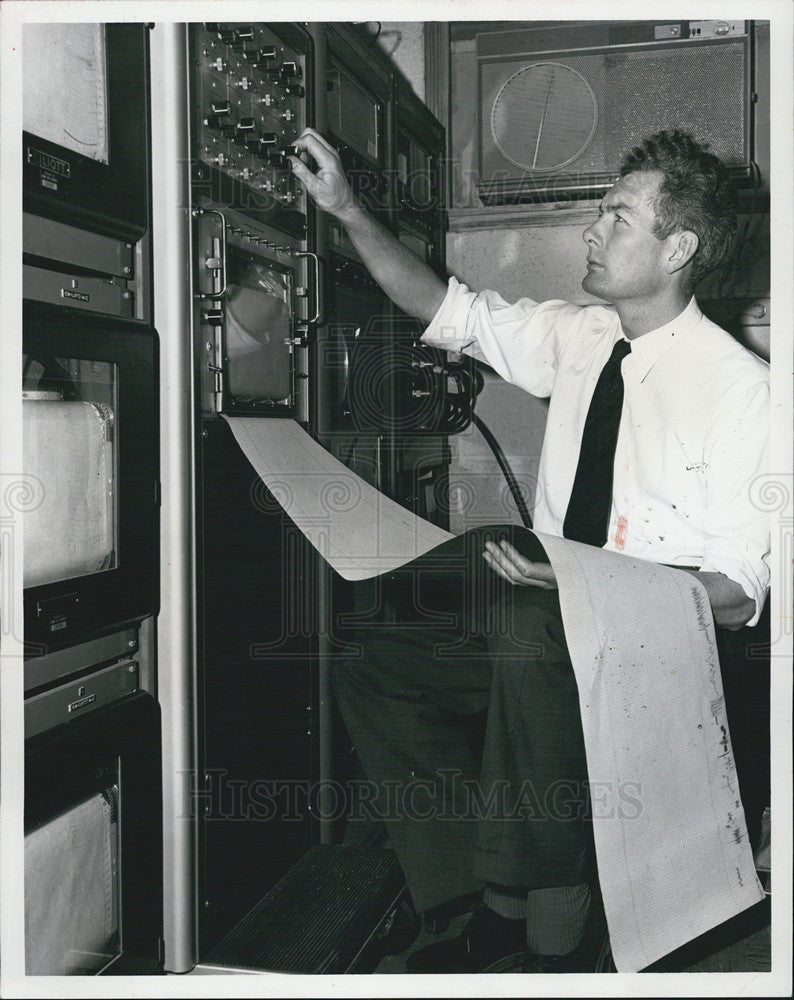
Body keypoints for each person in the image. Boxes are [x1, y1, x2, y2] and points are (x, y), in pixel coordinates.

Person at [288, 129, 770, 972]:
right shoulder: (582, 337)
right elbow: (443, 309)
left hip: (659, 654)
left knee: (528, 623)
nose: (593, 231)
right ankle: (460, 893)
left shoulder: (746, 393)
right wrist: (347, 211)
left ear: (679, 247)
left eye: (618, 217)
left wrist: (596, 585)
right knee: (374, 650)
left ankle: (538, 923)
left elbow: (736, 589)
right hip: (543, 615)